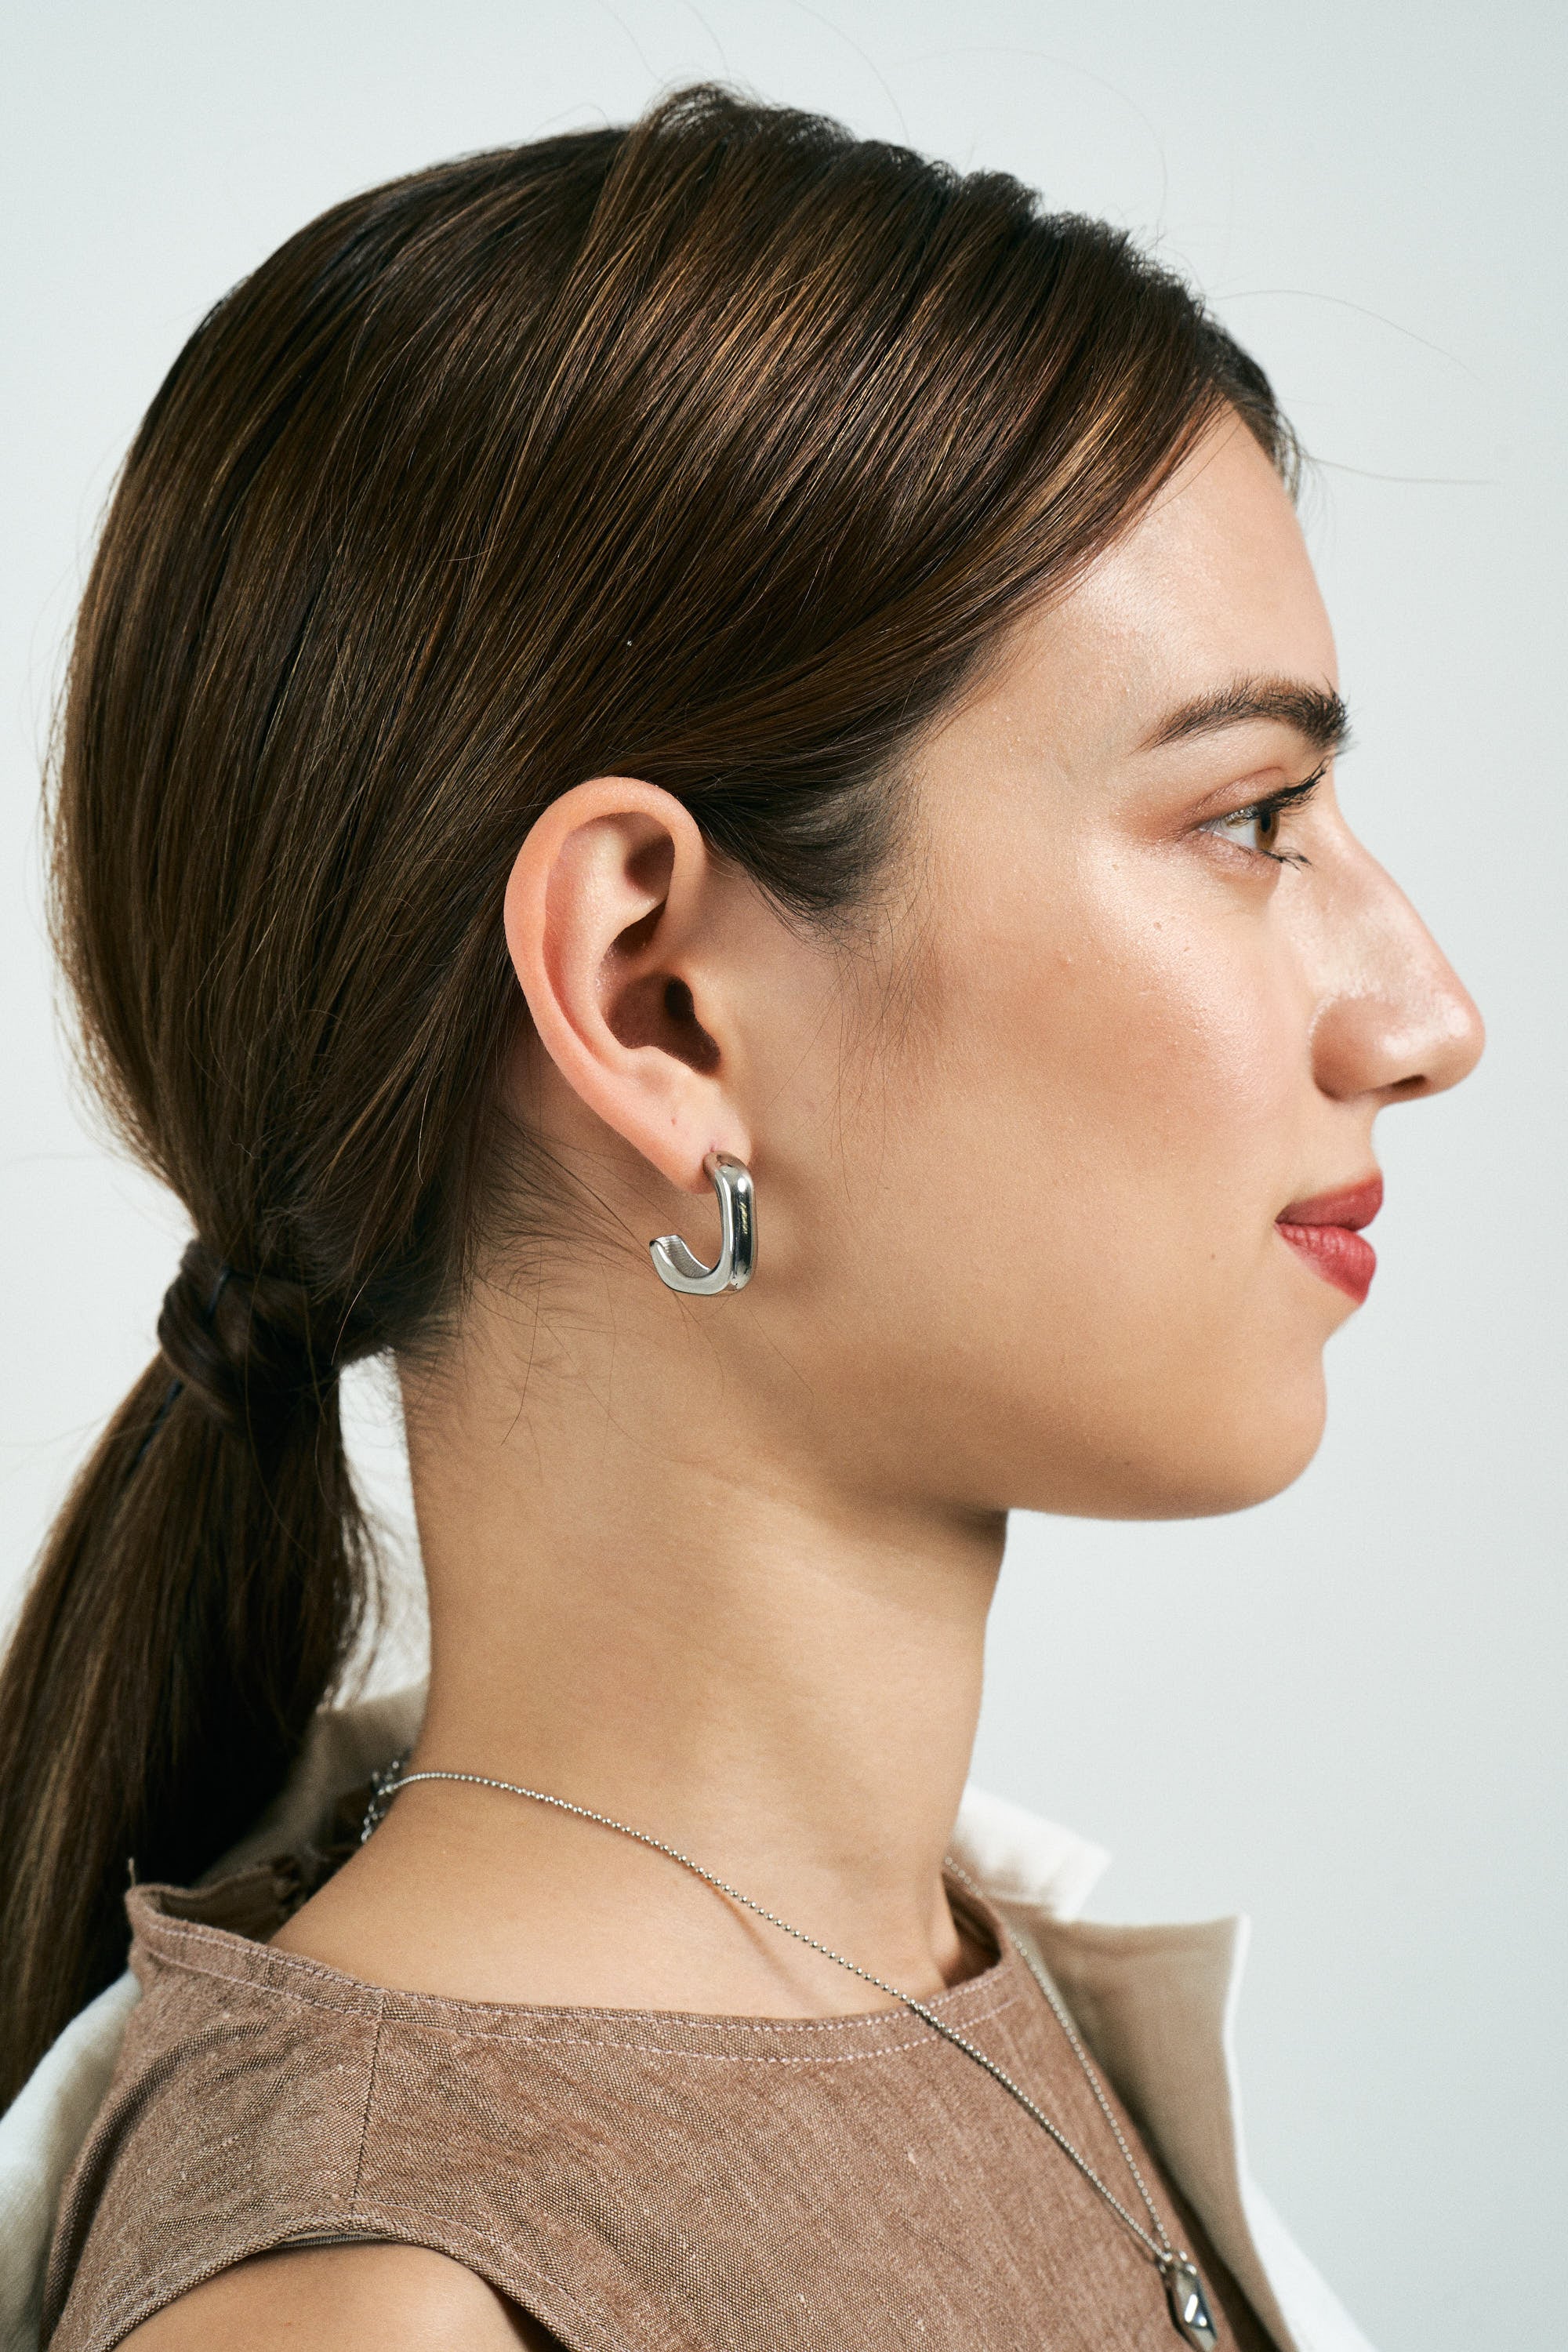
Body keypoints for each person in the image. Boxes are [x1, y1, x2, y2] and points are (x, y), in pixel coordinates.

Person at [0, 83, 1481, 2352]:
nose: (1426, 1017)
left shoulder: (955, 1994)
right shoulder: (387, 2304)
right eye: (1248, 816)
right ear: (656, 998)